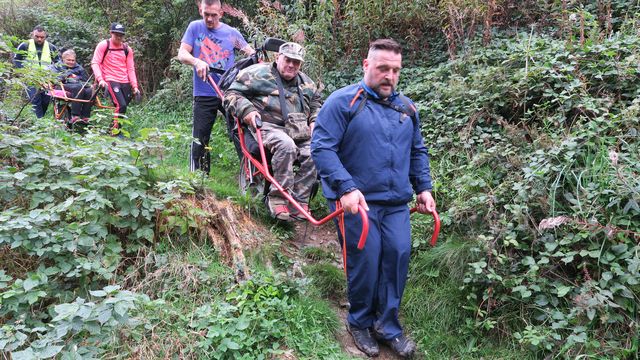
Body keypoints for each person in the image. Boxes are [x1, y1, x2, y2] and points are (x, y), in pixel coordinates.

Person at [310, 38, 436, 358]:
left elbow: (417, 150)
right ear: (366, 66)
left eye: (395, 70)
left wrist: (423, 188)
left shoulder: (407, 109)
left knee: (397, 256)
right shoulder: (342, 103)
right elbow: (322, 148)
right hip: (356, 202)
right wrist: (346, 188)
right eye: (382, 68)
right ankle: (360, 322)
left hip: (395, 202)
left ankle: (387, 325)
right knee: (365, 260)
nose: (389, 76)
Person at [224, 42, 321, 221]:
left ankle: (298, 200)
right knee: (286, 146)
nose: (291, 65)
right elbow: (231, 95)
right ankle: (277, 199)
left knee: (316, 152)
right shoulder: (256, 74)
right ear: (278, 58)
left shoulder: (307, 83)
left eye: (296, 62)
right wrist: (248, 112)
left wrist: (315, 120)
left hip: (298, 129)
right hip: (268, 126)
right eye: (288, 60)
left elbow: (315, 103)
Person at [177, 0, 254, 174]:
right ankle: (199, 178)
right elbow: (182, 53)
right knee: (200, 137)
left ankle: (250, 176)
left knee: (240, 133)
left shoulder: (231, 33)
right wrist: (197, 61)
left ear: (221, 13)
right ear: (200, 10)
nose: (210, 19)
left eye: (213, 15)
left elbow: (251, 53)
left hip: (230, 92)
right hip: (204, 91)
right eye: (206, 14)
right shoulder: (195, 27)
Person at [91, 22, 140, 127]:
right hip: (110, 79)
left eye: (121, 35)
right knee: (121, 105)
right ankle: (116, 132)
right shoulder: (104, 45)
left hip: (125, 81)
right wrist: (100, 79)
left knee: (123, 107)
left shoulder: (127, 49)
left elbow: (130, 68)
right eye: (116, 34)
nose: (119, 37)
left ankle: (112, 128)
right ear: (111, 33)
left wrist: (135, 86)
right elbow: (95, 63)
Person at [13, 25, 60, 118]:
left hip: (47, 79)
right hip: (31, 78)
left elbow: (58, 62)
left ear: (45, 37)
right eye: (37, 36)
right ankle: (39, 121)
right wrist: (24, 72)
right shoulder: (24, 45)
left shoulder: (51, 47)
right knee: (35, 100)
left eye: (42, 37)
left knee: (46, 100)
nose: (39, 39)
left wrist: (53, 76)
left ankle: (40, 120)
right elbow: (17, 60)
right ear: (32, 35)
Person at [50, 49, 93, 124]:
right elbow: (55, 79)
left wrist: (77, 78)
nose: (71, 62)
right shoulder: (57, 66)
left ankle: (85, 116)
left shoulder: (79, 68)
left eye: (73, 60)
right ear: (63, 59)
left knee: (89, 90)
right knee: (77, 88)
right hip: (62, 85)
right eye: (68, 60)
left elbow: (85, 81)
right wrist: (68, 75)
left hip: (78, 85)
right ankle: (75, 115)